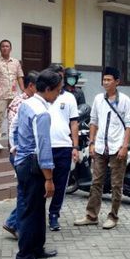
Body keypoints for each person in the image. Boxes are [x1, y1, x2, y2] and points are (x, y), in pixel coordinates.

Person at [13, 69, 63, 259]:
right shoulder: (41, 112)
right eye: (58, 90)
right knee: (30, 211)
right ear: (48, 89)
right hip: (32, 164)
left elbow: (15, 130)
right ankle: (24, 257)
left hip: (24, 161)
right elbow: (43, 147)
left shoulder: (27, 103)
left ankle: (37, 248)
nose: (59, 94)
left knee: (36, 209)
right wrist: (49, 178)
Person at [73, 67, 130, 230]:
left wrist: (125, 146)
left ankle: (113, 216)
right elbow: (93, 121)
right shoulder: (99, 99)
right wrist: (91, 143)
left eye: (109, 79)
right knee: (96, 182)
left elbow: (129, 124)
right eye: (104, 79)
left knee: (116, 184)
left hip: (117, 147)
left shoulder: (125, 100)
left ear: (117, 82)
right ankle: (91, 215)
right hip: (100, 147)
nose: (105, 82)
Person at [3, 71, 39, 238]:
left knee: (27, 192)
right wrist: (18, 151)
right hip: (20, 153)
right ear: (31, 86)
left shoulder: (33, 101)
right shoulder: (20, 103)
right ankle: (15, 224)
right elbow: (14, 129)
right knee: (26, 192)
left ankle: (15, 223)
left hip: (25, 153)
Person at [46, 64, 80, 232]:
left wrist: (75, 146)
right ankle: (36, 215)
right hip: (45, 148)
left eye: (61, 76)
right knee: (41, 184)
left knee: (60, 185)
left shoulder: (69, 98)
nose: (60, 79)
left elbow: (74, 123)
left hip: (64, 147)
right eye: (56, 76)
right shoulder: (43, 96)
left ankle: (54, 215)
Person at [0, 40, 24, 150]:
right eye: (3, 46)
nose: (5, 48)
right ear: (0, 48)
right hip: (0, 94)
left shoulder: (16, 62)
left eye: (7, 46)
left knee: (13, 118)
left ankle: (12, 140)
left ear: (10, 48)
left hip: (13, 95)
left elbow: (20, 77)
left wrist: (23, 91)